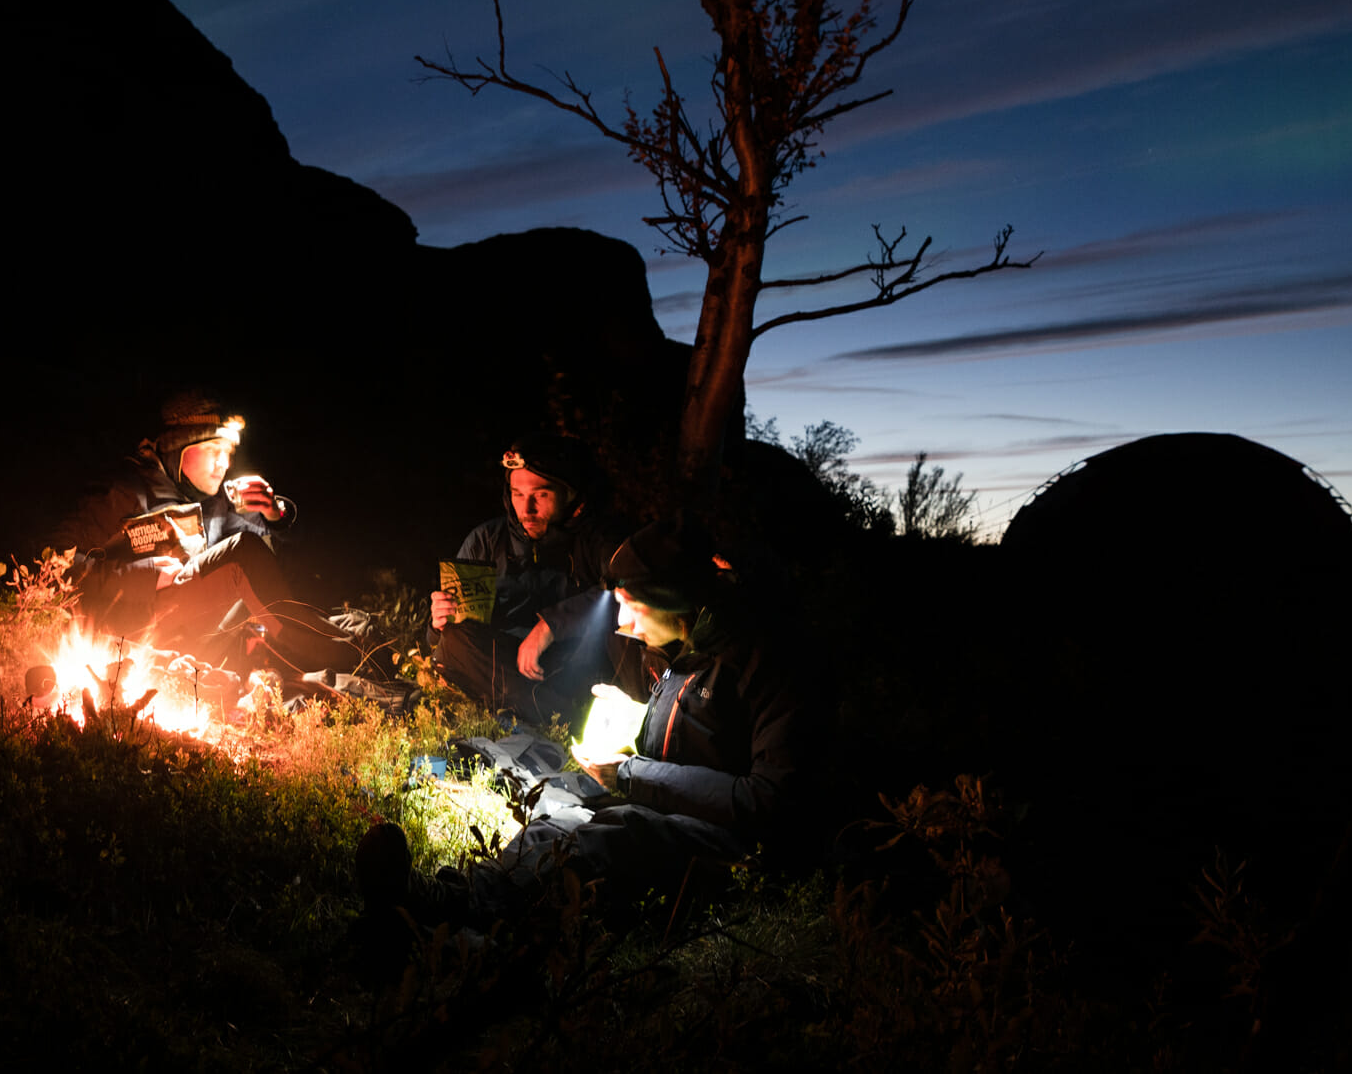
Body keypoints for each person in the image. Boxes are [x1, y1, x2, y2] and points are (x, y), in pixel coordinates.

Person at [361, 516, 811, 930]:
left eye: (632, 606)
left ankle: (461, 927)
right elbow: (698, 734)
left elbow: (769, 802)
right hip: (671, 805)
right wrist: (636, 718)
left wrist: (632, 773)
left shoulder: (767, 665)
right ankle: (448, 899)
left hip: (737, 847)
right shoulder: (683, 647)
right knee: (559, 814)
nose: (622, 622)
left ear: (676, 606)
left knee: (611, 837)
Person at [51, 391, 363, 679]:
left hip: (200, 636)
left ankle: (347, 650)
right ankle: (349, 656)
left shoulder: (216, 504)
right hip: (133, 635)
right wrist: (143, 576)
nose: (223, 464)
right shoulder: (124, 492)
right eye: (212, 450)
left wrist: (274, 512)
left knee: (259, 572)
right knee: (245, 552)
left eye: (228, 452)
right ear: (179, 448)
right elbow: (55, 565)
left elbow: (283, 558)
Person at [429, 434, 633, 725]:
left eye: (542, 494)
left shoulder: (595, 540)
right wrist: (437, 624)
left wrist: (551, 625)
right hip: (503, 669)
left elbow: (629, 592)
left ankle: (544, 715)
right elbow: (446, 642)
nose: (527, 509)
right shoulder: (486, 541)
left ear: (569, 494)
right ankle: (551, 716)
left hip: (573, 664)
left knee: (623, 617)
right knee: (455, 641)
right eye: (517, 494)